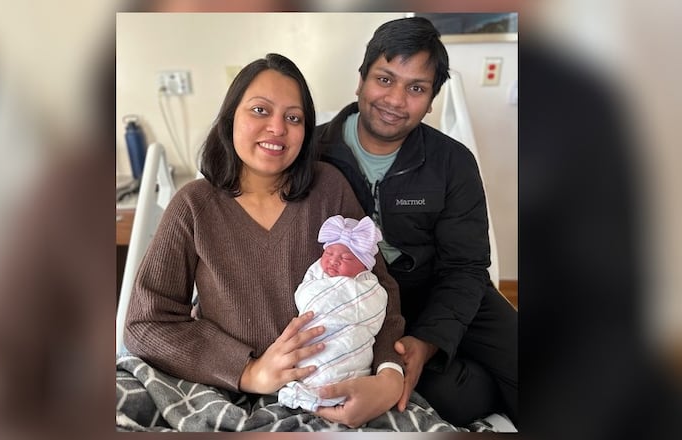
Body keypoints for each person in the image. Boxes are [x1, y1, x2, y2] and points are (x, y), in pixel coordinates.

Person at [123, 53, 406, 428]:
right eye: (260, 110)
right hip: (223, 385)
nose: (277, 128)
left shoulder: (329, 190)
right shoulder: (193, 205)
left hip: (328, 388)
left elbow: (379, 288)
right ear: (230, 119)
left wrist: (389, 377)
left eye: (294, 117)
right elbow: (145, 321)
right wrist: (249, 371)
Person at [315, 17, 518, 427]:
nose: (395, 100)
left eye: (416, 88)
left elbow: (466, 266)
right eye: (385, 79)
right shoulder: (314, 153)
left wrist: (429, 341)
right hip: (362, 297)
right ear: (361, 80)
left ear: (431, 100)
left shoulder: (452, 162)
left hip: (443, 286)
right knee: (452, 398)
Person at [278, 214, 387, 411]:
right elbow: (303, 295)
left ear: (363, 265)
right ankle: (311, 389)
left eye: (345, 258)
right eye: (328, 254)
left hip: (348, 345)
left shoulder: (368, 286)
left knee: (345, 360)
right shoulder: (316, 273)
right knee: (310, 362)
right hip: (315, 337)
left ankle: (329, 391)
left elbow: (374, 310)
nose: (333, 261)